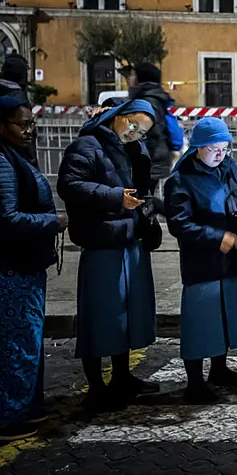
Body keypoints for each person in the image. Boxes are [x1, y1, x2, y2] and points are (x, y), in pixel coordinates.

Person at [57, 98, 160, 411]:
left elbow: (143, 187)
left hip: (129, 238)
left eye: (143, 131)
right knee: (100, 316)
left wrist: (148, 207)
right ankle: (96, 386)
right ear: (120, 116)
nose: (136, 133)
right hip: (103, 242)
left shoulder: (131, 148)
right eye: (134, 125)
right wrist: (115, 197)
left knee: (125, 315)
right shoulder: (88, 145)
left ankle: (121, 376)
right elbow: (69, 185)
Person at [164, 117, 237, 404]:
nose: (220, 154)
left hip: (232, 257)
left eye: (224, 149)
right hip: (203, 263)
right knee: (201, 322)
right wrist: (215, 236)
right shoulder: (180, 180)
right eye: (213, 149)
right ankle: (194, 383)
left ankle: (219, 369)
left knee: (225, 317)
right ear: (198, 147)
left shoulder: (227, 168)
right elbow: (179, 224)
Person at [0, 94, 67, 441]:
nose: (29, 130)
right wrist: (51, 221)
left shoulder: (17, 155)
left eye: (32, 123)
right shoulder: (2, 161)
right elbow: (6, 218)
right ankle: (9, 417)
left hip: (26, 263)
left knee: (28, 338)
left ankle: (24, 407)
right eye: (21, 124)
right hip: (13, 267)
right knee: (17, 341)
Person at [128, 63, 178, 194]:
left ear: (141, 79)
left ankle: (172, 214)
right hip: (151, 160)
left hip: (150, 161)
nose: (130, 78)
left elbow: (151, 132)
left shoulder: (148, 102)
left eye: (133, 75)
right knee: (141, 200)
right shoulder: (149, 98)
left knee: (139, 201)